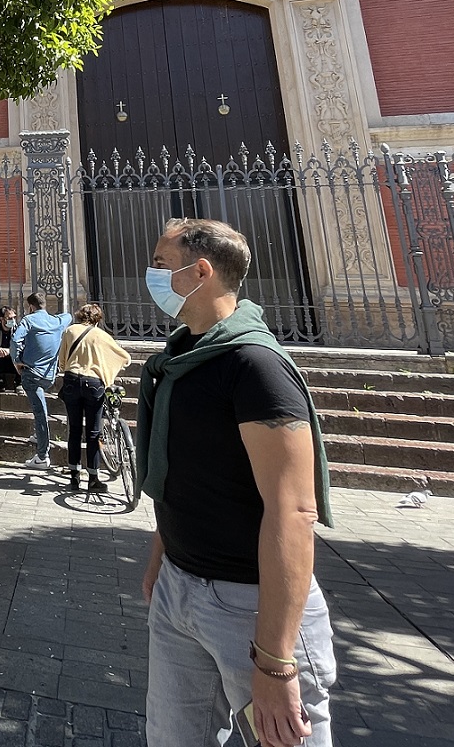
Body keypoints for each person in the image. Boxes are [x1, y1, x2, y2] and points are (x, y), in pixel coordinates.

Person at [136, 218, 335, 747]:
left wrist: (274, 661)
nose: (150, 275)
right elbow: (181, 474)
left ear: (199, 271)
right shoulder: (181, 359)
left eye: (159, 264)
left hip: (249, 605)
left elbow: (293, 511)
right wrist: (163, 554)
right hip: (179, 590)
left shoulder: (256, 366)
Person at [54, 303, 131, 493]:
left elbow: (62, 360)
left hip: (71, 380)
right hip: (93, 384)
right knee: (93, 432)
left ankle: (73, 477)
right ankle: (93, 478)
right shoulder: (101, 336)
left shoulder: (70, 331)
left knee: (74, 430)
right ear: (97, 318)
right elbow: (124, 357)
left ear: (80, 315)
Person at [12, 292, 73, 469]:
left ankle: (42, 456)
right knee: (40, 411)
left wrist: (17, 361)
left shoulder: (28, 320)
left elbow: (16, 340)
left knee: (40, 414)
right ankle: (39, 436)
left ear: (31, 307)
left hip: (31, 374)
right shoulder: (57, 321)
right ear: (44, 304)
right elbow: (68, 316)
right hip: (49, 375)